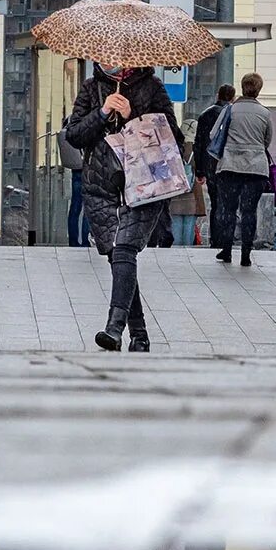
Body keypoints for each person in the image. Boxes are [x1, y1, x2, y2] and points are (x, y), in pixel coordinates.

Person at [66, 62, 182, 352]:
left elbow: (173, 137)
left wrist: (134, 117)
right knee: (119, 261)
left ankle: (114, 329)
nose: (114, 62)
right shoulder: (92, 87)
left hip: (144, 185)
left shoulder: (153, 87)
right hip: (101, 187)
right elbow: (74, 135)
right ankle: (139, 335)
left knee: (124, 251)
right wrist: (102, 113)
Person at [209, 73, 272, 267]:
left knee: (228, 209)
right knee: (249, 211)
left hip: (230, 165)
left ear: (242, 87)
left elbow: (213, 134)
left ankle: (226, 250)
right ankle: (246, 254)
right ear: (259, 89)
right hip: (256, 168)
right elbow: (267, 140)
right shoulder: (265, 113)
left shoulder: (230, 109)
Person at [193, 84, 235, 248]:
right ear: (232, 97)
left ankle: (215, 239)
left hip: (210, 165)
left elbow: (199, 143)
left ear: (218, 95)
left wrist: (200, 171)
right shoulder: (232, 114)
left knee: (216, 203)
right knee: (228, 203)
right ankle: (226, 238)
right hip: (228, 164)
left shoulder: (205, 114)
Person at [59, 115, 90, 247]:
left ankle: (73, 240)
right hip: (87, 168)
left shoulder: (68, 122)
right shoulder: (85, 121)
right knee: (88, 206)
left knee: (75, 205)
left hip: (75, 169)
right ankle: (84, 239)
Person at [168, 130, 202, 246]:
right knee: (189, 227)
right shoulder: (197, 150)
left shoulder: (174, 148)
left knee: (176, 227)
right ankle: (188, 252)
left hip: (175, 194)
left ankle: (176, 256)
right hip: (193, 196)